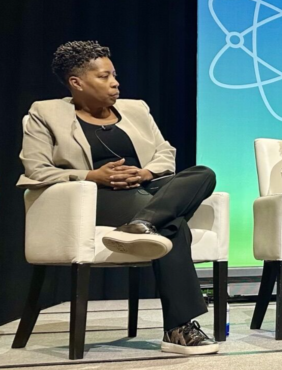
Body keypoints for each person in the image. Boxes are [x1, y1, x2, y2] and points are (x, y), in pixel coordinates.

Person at [18, 41, 219, 354]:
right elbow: (36, 169)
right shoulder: (46, 113)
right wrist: (91, 176)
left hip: (145, 188)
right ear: (77, 82)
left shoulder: (135, 109)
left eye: (114, 75)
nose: (115, 83)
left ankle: (141, 223)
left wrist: (146, 173)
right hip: (93, 196)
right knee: (175, 224)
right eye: (104, 77)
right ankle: (179, 328)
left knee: (203, 174)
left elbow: (165, 152)